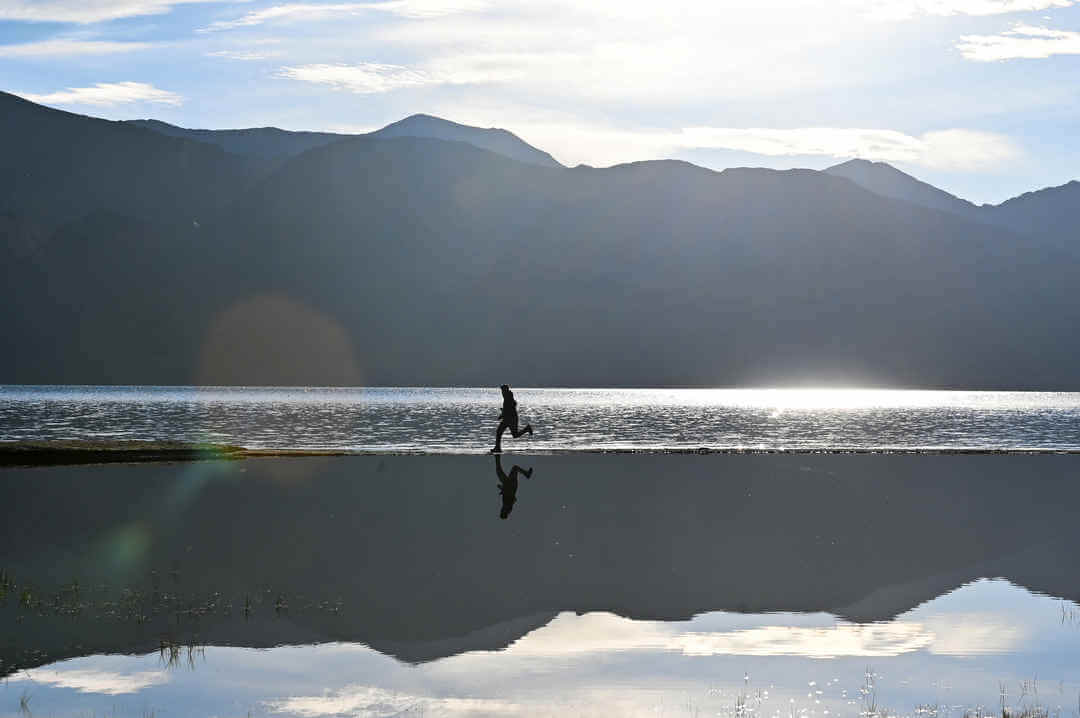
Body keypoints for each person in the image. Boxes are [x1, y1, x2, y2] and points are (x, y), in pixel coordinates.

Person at [491, 384, 533, 453]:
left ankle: (527, 429)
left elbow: (509, 408)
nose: (502, 392)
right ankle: (497, 448)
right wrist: (503, 413)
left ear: (506, 390)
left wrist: (502, 414)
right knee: (502, 432)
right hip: (508, 418)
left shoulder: (508, 397)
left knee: (509, 434)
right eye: (502, 391)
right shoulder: (507, 397)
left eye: (503, 390)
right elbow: (509, 408)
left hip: (511, 419)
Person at [495, 454, 533, 519]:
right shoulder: (507, 506)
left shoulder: (506, 506)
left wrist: (502, 489)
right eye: (502, 511)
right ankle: (526, 474)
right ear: (504, 512)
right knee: (509, 469)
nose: (501, 510)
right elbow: (512, 496)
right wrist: (502, 489)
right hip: (511, 485)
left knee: (500, 469)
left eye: (501, 511)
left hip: (508, 484)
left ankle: (497, 455)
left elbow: (511, 496)